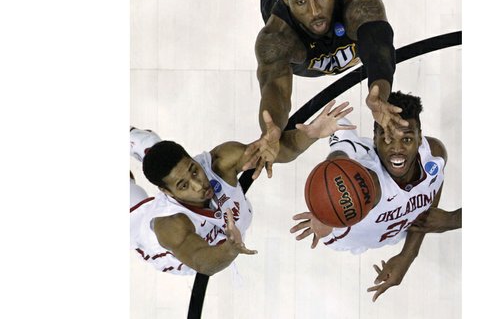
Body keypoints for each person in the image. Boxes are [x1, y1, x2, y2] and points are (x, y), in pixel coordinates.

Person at [129, 101, 355, 276]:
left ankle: (137, 139)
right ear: (167, 192)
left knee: (153, 147)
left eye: (194, 170)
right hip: (142, 230)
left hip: (209, 229)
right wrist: (229, 249)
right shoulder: (169, 225)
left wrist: (309, 135)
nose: (199, 185)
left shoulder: (220, 161)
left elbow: (279, 152)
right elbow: (201, 260)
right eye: (184, 185)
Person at [247, 0, 409, 179]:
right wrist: (271, 130)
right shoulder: (277, 39)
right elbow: (275, 95)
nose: (315, 11)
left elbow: (378, 50)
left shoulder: (360, 2)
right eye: (300, 1)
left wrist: (379, 92)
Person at [289, 91, 462, 301]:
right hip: (347, 235)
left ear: (420, 138)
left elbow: (431, 188)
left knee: (344, 135)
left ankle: (340, 129)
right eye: (387, 138)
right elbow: (340, 163)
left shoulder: (434, 154)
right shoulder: (371, 182)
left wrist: (408, 255)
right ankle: (337, 129)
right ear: (375, 140)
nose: (397, 148)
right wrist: (326, 208)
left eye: (407, 139)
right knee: (343, 140)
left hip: (391, 231)